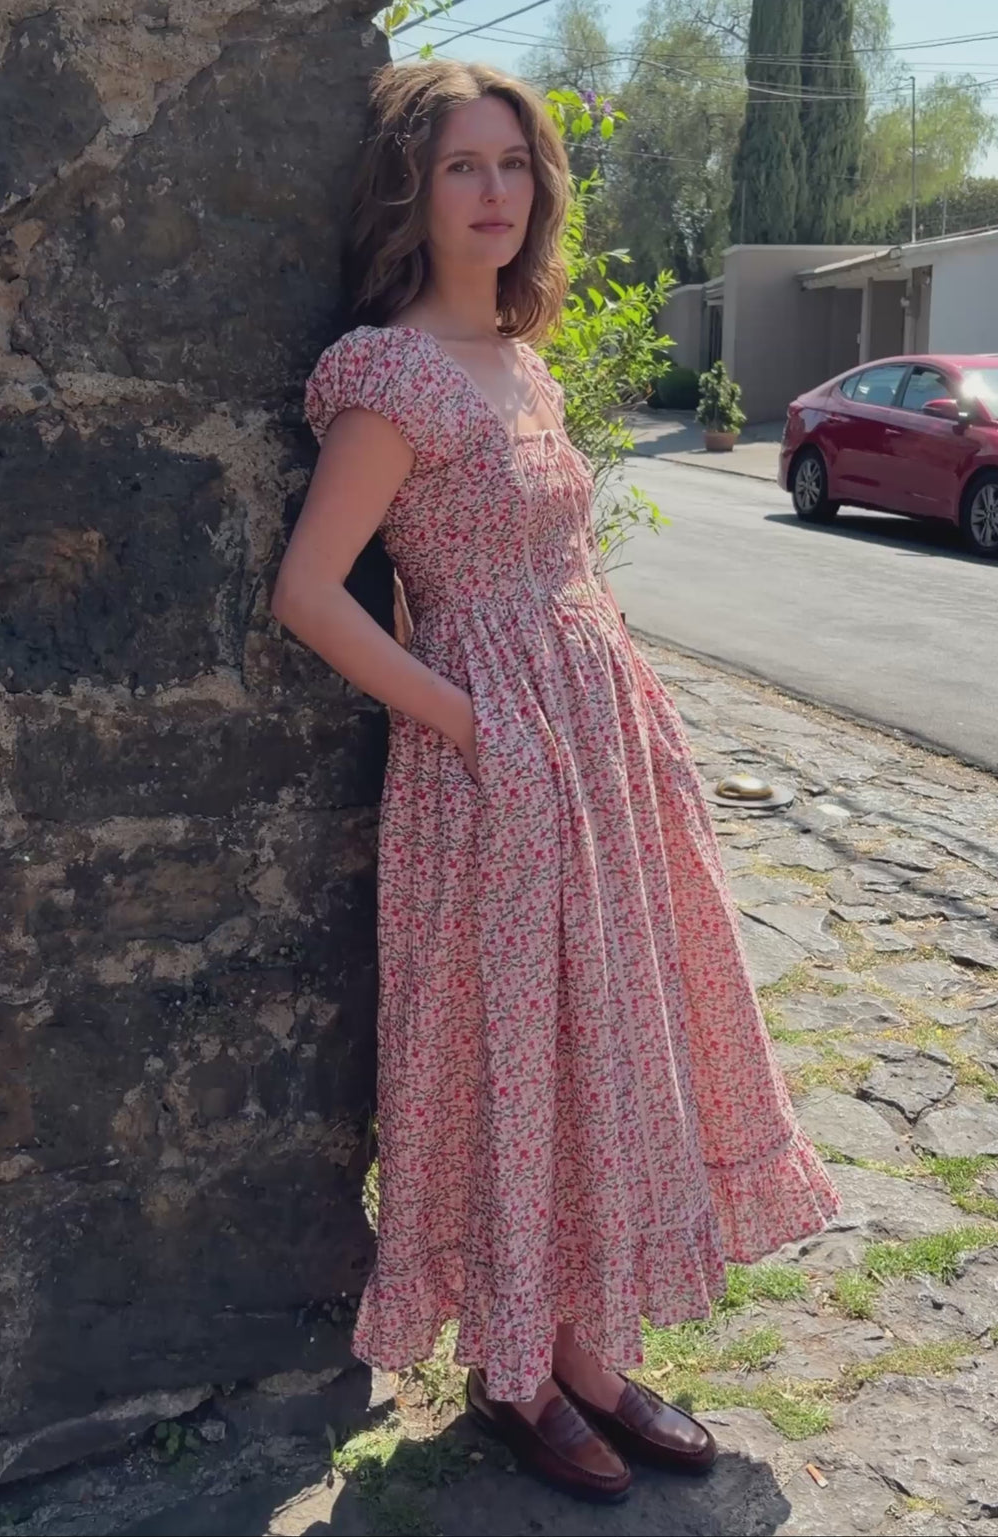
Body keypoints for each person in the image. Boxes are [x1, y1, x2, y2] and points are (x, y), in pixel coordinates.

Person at [271, 57, 841, 1505]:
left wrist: (631, 722)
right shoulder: (392, 371)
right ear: (414, 187)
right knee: (512, 1060)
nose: (496, 194)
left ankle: (588, 1345)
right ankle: (514, 1369)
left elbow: (566, 565)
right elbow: (313, 593)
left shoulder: (522, 357)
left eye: (514, 167)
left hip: (598, 751)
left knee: (607, 1043)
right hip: (496, 772)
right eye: (464, 166)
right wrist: (471, 725)